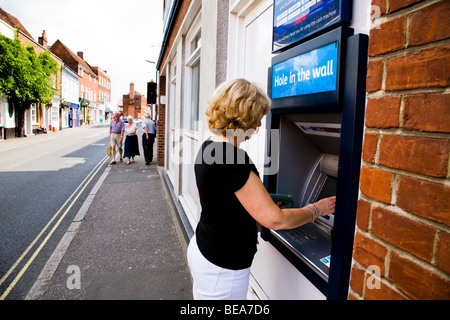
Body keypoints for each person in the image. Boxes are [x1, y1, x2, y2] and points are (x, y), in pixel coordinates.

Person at [187, 78, 336, 300]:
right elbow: (276, 220)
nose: (258, 126)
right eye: (257, 119)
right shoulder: (233, 157)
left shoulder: (209, 146)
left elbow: (211, 200)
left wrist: (249, 221)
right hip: (222, 266)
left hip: (204, 250)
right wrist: (318, 208)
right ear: (242, 117)